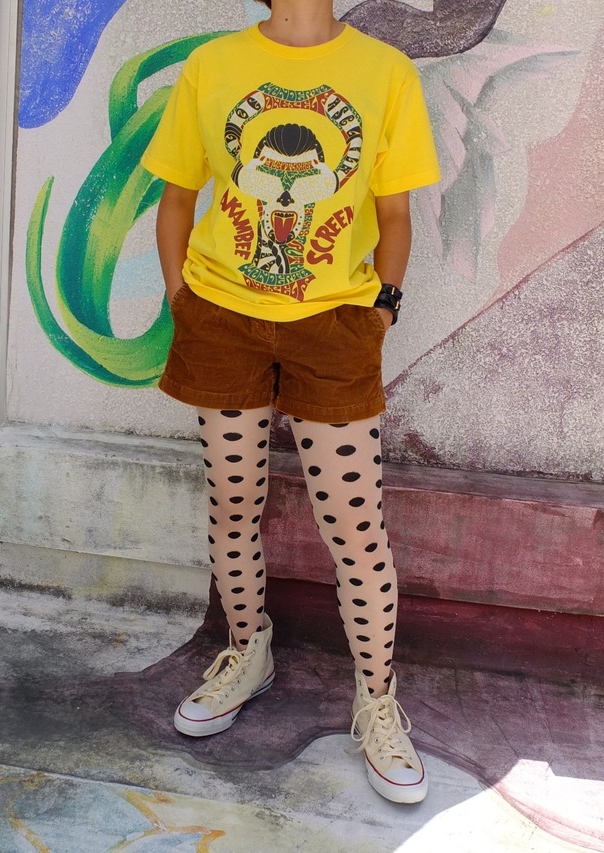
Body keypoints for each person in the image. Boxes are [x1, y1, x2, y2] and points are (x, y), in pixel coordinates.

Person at [141, 0, 440, 804]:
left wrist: (382, 310)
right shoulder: (213, 66)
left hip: (334, 326)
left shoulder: (385, 72)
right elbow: (176, 195)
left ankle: (377, 701)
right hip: (222, 318)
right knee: (232, 500)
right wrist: (183, 300)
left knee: (355, 523)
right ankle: (249, 650)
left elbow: (395, 213)